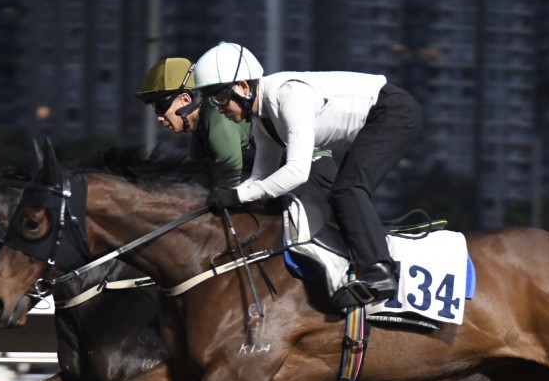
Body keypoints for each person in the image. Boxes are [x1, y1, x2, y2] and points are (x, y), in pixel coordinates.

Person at [193, 42, 422, 307]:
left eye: (220, 97)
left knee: (347, 190)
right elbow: (259, 179)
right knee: (341, 193)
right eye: (212, 99)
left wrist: (237, 195)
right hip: (378, 119)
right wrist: (229, 197)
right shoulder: (262, 123)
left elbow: (297, 172)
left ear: (243, 87)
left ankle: (380, 272)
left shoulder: (288, 94)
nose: (218, 107)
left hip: (393, 112)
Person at [135, 57, 252, 189]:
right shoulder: (200, 128)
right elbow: (195, 182)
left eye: (160, 107)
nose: (160, 118)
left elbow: (230, 184)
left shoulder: (218, 118)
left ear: (185, 99)